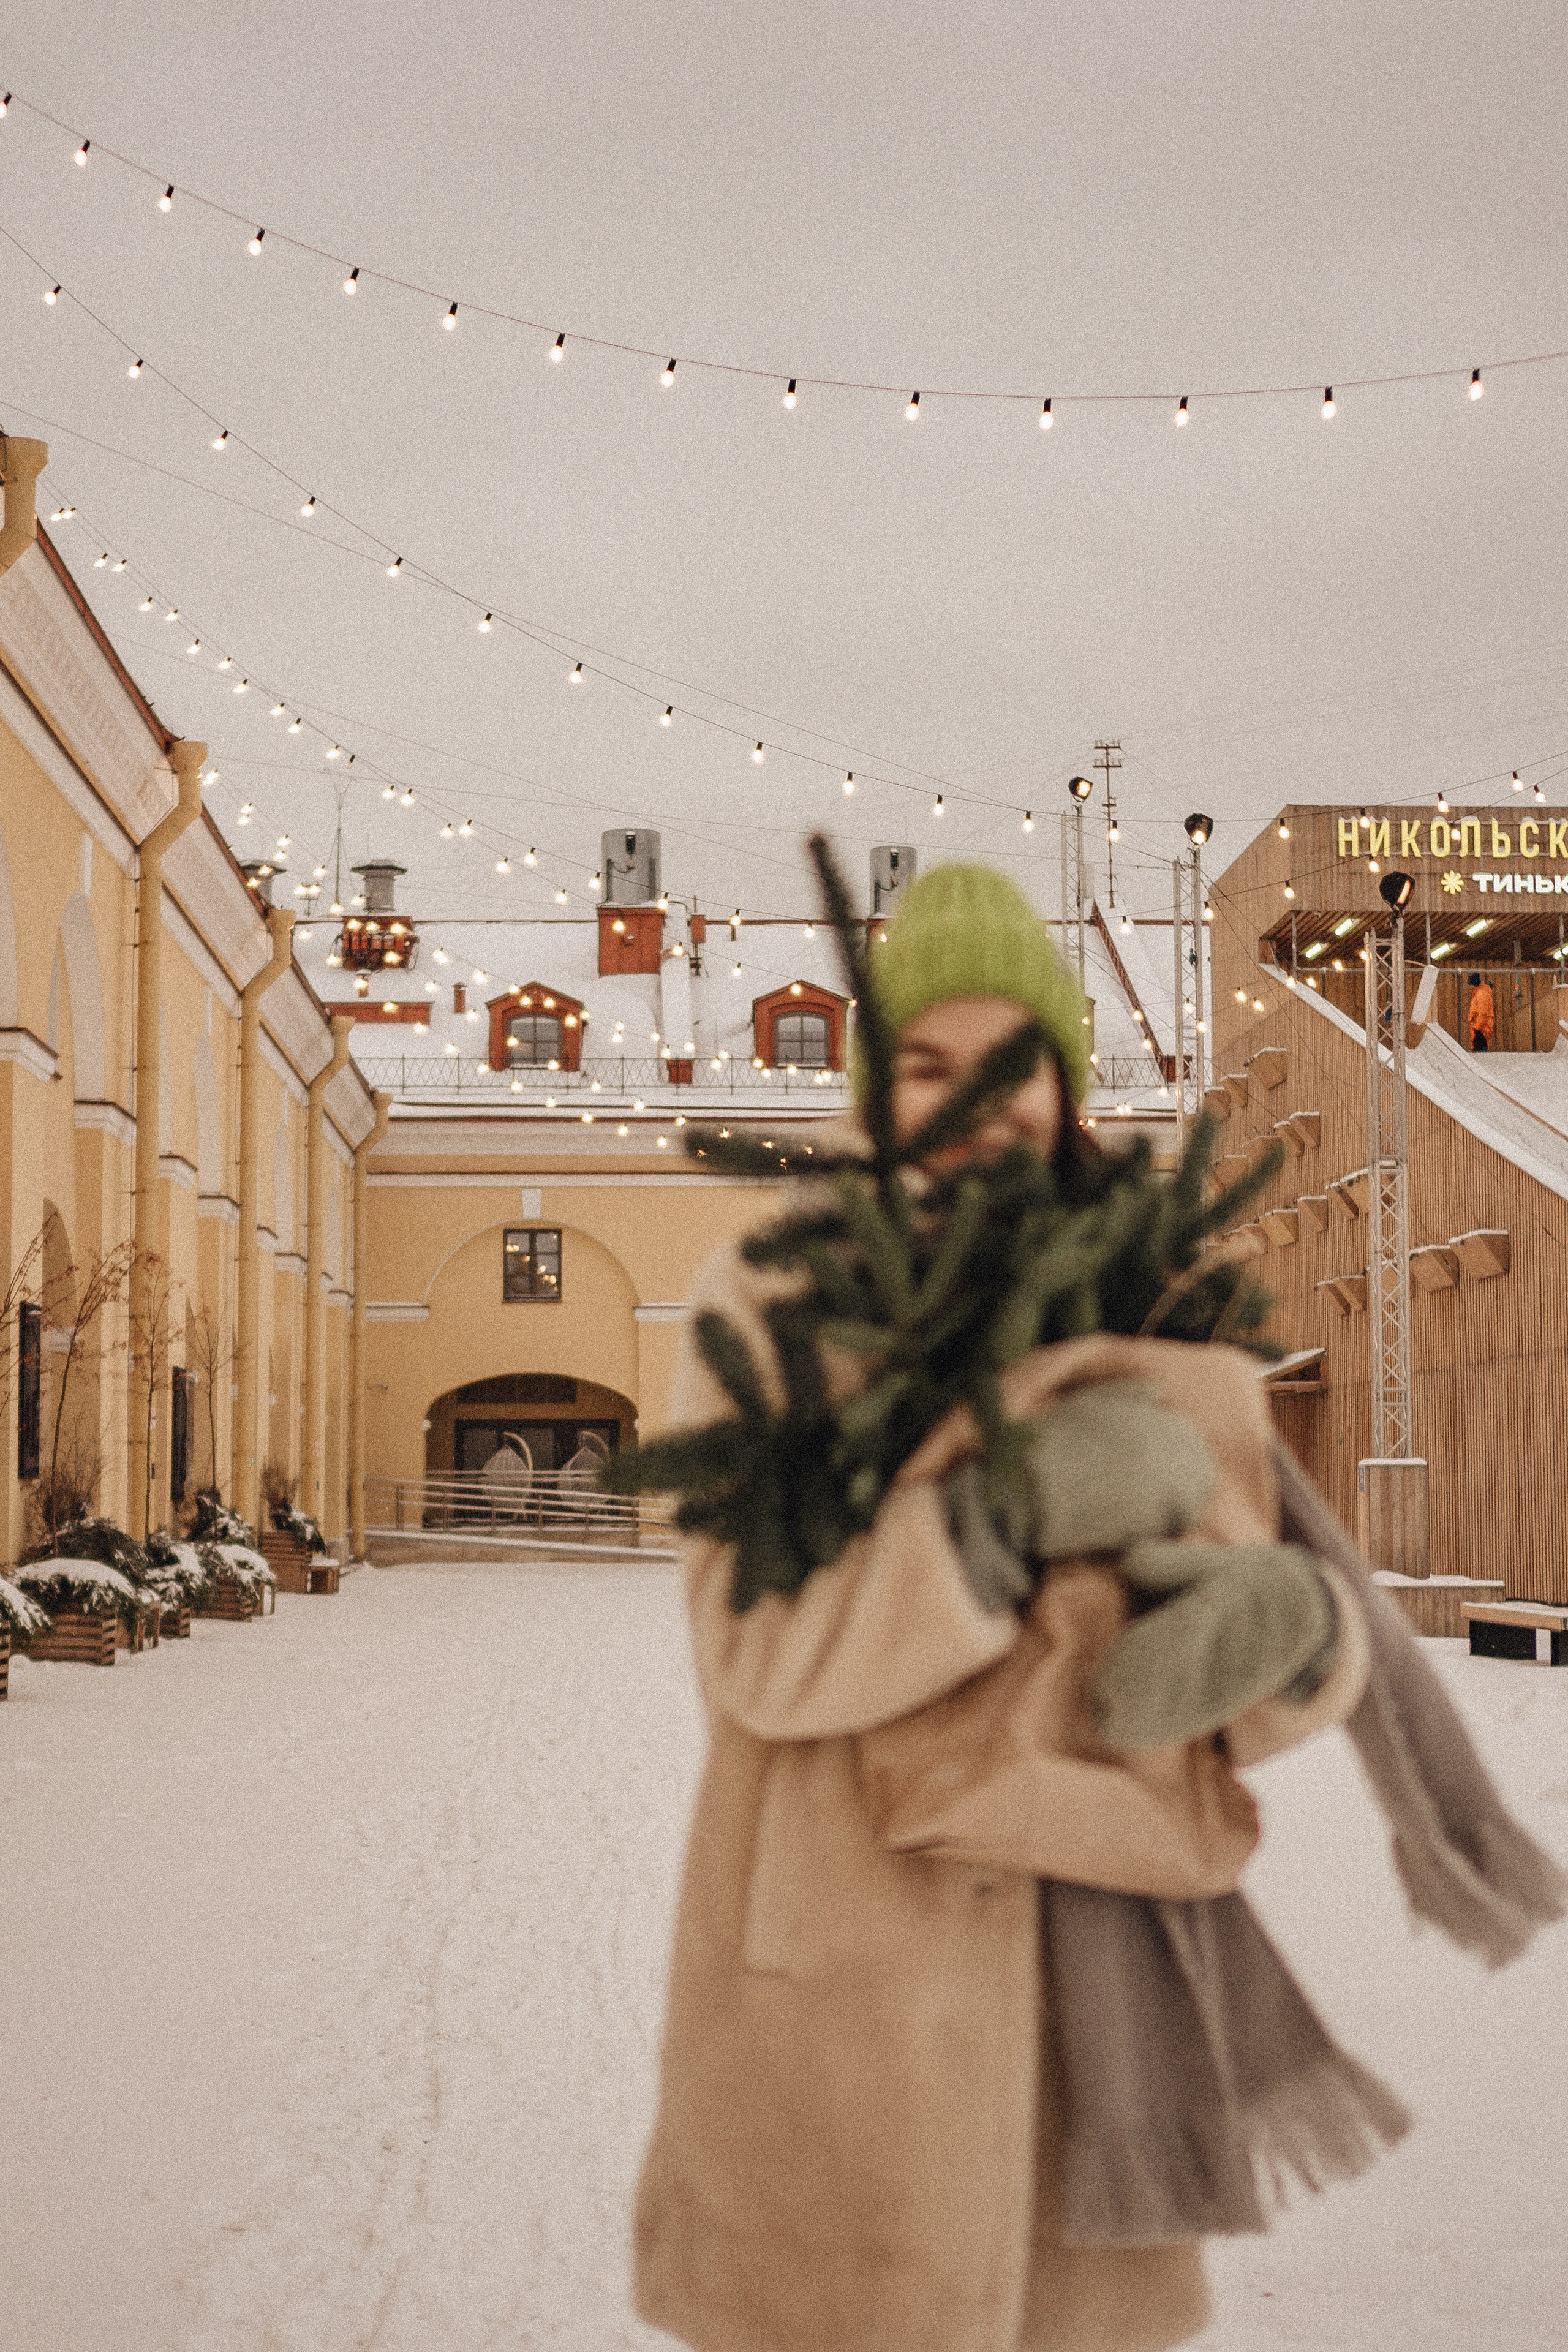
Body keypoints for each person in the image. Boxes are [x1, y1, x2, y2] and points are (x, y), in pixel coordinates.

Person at [632, 865, 1378, 2352]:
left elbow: (1226, 1666)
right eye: (927, 1063)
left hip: (1088, 2022)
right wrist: (989, 1519)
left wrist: (1289, 1635)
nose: (974, 1101)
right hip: (840, 2004)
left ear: (1062, 1081)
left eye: (1011, 1060)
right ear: (875, 1089)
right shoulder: (775, 1302)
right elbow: (757, 1653)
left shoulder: (1153, 1308)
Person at [1466, 970, 1494, 1051]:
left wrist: (1477, 1029)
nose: (1469, 987)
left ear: (1474, 984)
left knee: (1480, 1054)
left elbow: (1483, 1014)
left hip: (1481, 1031)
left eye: (1470, 984)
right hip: (1480, 1030)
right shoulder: (1479, 993)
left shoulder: (1482, 994)